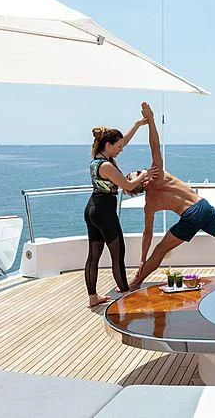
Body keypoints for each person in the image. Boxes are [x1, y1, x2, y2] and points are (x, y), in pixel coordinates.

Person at [127, 102, 215, 290]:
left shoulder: (150, 201)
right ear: (141, 182)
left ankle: (136, 283)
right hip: (203, 205)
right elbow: (155, 146)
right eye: (136, 173)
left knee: (161, 249)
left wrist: (142, 259)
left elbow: (148, 234)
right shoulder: (159, 175)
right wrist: (152, 120)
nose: (139, 170)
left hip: (191, 215)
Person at [85, 121, 156, 307]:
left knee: (94, 256)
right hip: (104, 212)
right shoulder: (106, 166)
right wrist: (145, 174)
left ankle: (93, 297)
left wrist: (139, 124)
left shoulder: (96, 159)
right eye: (117, 148)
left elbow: (123, 141)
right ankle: (125, 294)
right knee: (118, 254)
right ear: (107, 145)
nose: (120, 150)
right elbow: (128, 186)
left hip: (93, 208)